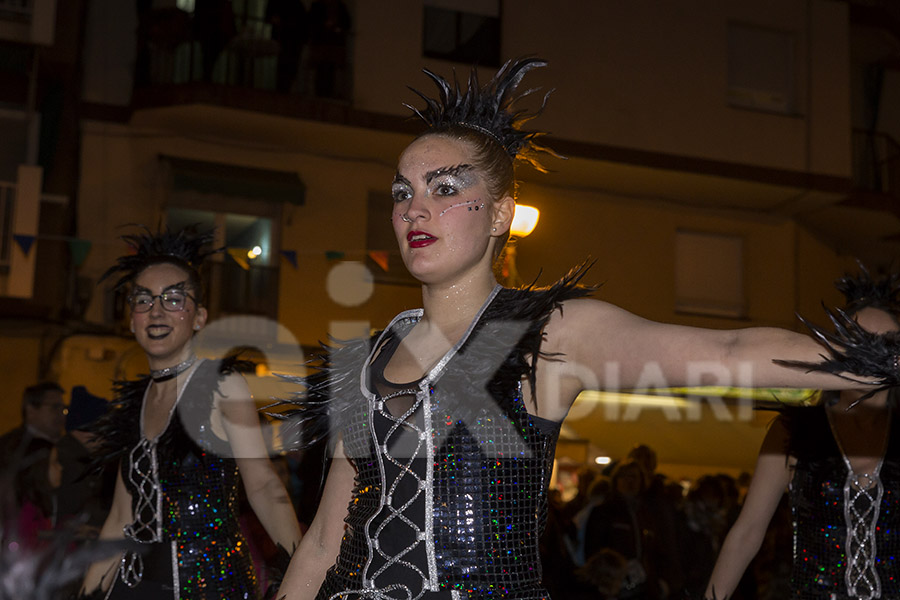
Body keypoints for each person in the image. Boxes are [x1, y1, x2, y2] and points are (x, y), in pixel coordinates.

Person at [275, 58, 900, 600]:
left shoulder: (545, 334)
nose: (415, 208)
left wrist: (872, 360)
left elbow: (728, 348)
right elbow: (325, 541)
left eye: (444, 189)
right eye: (402, 191)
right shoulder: (365, 357)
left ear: (500, 214)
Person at [80, 226, 301, 599]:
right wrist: (86, 593)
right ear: (130, 318)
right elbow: (120, 519)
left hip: (209, 587)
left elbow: (262, 483)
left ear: (199, 317)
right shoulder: (133, 406)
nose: (156, 311)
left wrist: (301, 572)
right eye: (144, 300)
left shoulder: (219, 385)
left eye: (173, 299)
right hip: (137, 588)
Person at [704, 266, 900, 600]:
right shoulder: (793, 430)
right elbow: (748, 532)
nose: (874, 357)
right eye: (861, 342)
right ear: (839, 351)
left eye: (888, 344)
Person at [0, 382, 67, 534]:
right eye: (54, 407)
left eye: (64, 408)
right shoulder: (12, 448)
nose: (61, 414)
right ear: (31, 410)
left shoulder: (61, 445)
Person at [265, 0, 309, 93]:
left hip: (294, 39)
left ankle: (287, 88)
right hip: (282, 38)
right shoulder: (277, 3)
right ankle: (282, 89)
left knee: (291, 66)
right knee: (283, 65)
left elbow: (303, 21)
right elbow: (269, 17)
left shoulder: (297, 4)